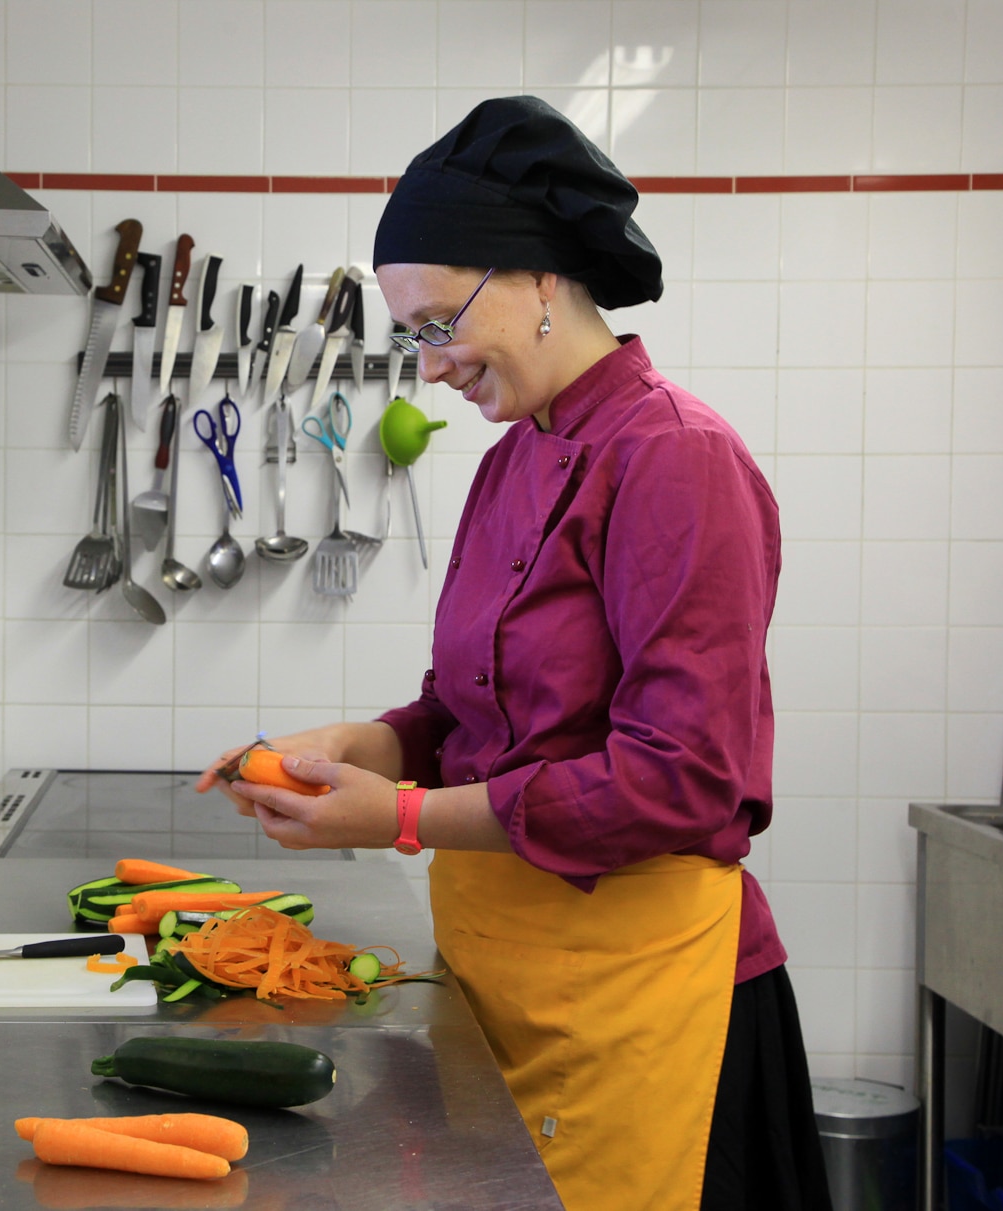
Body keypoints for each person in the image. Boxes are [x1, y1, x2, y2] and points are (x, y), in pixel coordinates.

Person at [197, 97, 832, 1211]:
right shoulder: (513, 458)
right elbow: (465, 710)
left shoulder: (676, 458)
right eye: (414, 336)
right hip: (509, 974)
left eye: (440, 323)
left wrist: (399, 816)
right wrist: (361, 745)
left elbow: (678, 777)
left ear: (540, 278)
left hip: (643, 996)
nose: (432, 366)